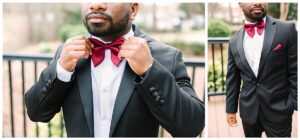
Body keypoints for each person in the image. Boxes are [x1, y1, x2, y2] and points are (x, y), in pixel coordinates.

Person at [25, 3, 205, 137]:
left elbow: (191, 127)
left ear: (133, 10)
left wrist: (150, 71)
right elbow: (36, 112)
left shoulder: (166, 56)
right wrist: (61, 70)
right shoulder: (66, 53)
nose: (96, 4)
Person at [226, 3, 297, 137]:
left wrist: (293, 103)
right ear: (240, 4)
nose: (257, 2)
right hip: (248, 111)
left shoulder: (287, 29)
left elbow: (295, 70)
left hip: (279, 110)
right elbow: (232, 79)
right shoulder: (234, 40)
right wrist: (231, 109)